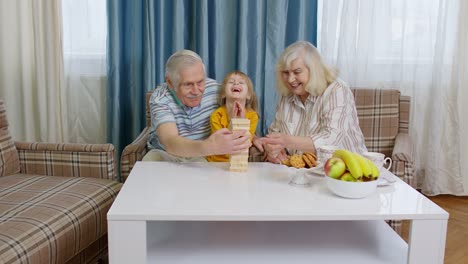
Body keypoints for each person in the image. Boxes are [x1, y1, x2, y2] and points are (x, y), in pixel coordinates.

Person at [253, 41, 367, 164]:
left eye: (297, 72)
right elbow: (276, 131)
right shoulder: (287, 93)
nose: (290, 80)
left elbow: (331, 139)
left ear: (313, 70)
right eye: (286, 73)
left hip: (346, 170)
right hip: (300, 171)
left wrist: (286, 141)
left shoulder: (336, 89)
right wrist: (274, 150)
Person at [144, 50, 251, 162]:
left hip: (200, 156)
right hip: (165, 154)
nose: (196, 91)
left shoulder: (215, 89)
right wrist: (210, 146)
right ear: (170, 83)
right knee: (151, 160)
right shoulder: (160, 99)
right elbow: (170, 142)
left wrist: (255, 137)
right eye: (188, 84)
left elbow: (243, 111)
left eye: (200, 82)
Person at [206, 71, 259, 162]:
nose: (236, 83)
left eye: (241, 82)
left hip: (238, 162)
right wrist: (232, 122)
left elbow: (244, 144)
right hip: (216, 162)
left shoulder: (253, 116)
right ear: (223, 94)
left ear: (248, 95)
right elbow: (221, 144)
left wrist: (241, 122)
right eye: (231, 82)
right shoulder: (216, 115)